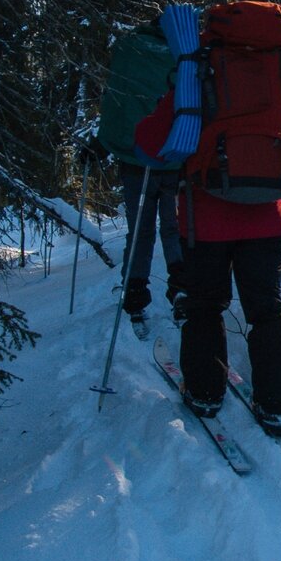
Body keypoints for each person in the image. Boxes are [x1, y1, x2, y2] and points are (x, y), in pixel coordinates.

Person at [134, 13, 281, 433]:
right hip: (268, 219)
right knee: (267, 309)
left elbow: (149, 145)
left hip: (206, 221)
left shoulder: (196, 71)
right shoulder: (277, 73)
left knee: (204, 305)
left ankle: (205, 393)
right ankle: (278, 404)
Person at [81, 21, 187, 337]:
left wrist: (102, 143)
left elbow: (115, 106)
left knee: (140, 230)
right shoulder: (183, 52)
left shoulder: (129, 50)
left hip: (136, 158)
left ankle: (135, 296)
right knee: (174, 227)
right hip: (175, 157)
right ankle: (182, 289)